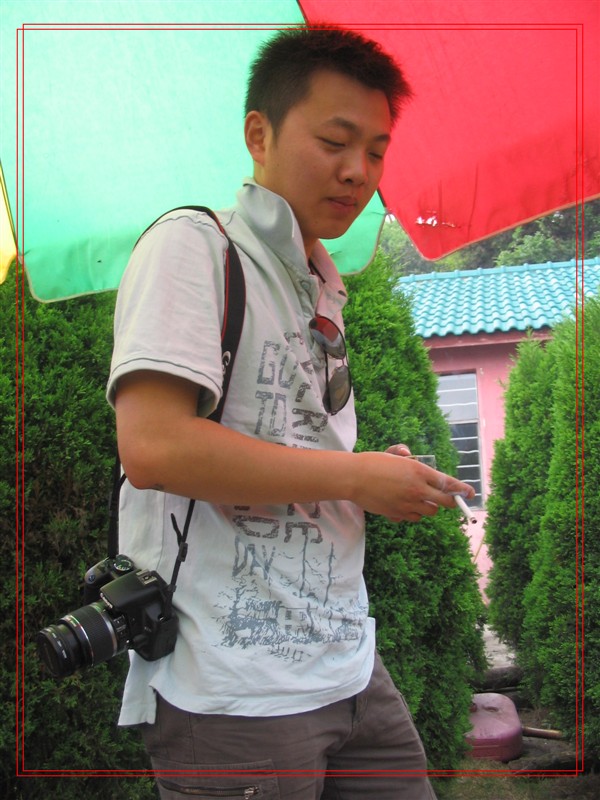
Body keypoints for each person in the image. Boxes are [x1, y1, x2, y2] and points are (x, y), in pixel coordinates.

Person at [107, 25, 473, 800]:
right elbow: (154, 447)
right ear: (259, 135)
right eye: (335, 141)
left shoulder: (320, 282)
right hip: (232, 688)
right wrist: (352, 478)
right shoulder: (193, 246)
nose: (358, 171)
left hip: (347, 662)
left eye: (376, 151)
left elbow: (295, 447)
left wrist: (372, 473)